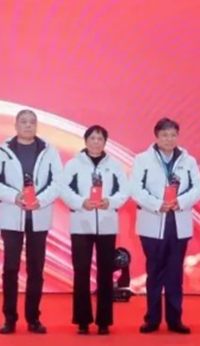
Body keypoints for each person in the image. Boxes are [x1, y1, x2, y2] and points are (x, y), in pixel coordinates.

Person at [0, 109, 63, 334]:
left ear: (36, 126)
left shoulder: (48, 150)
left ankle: (33, 318)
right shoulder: (4, 150)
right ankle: (9, 318)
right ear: (16, 125)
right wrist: (14, 196)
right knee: (10, 268)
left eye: (32, 122)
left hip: (39, 217)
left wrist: (41, 199)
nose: (28, 125)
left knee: (36, 269)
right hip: (12, 216)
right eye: (23, 122)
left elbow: (58, 181)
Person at [130, 117, 200, 334]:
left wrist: (180, 201)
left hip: (178, 223)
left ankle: (175, 319)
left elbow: (198, 188)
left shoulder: (188, 160)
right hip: (152, 222)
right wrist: (157, 204)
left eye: (173, 135)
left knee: (174, 274)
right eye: (164, 135)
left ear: (177, 136)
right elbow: (136, 189)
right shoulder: (142, 159)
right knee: (154, 273)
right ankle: (152, 319)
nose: (169, 139)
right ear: (156, 136)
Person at [59, 125, 130, 335]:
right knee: (81, 271)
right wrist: (81, 202)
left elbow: (124, 190)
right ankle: (82, 320)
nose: (96, 142)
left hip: (107, 224)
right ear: (85, 140)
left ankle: (104, 321)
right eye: (92, 138)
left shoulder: (114, 166)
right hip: (81, 223)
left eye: (100, 139)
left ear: (105, 142)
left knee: (105, 273)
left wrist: (110, 202)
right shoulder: (74, 164)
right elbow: (63, 188)